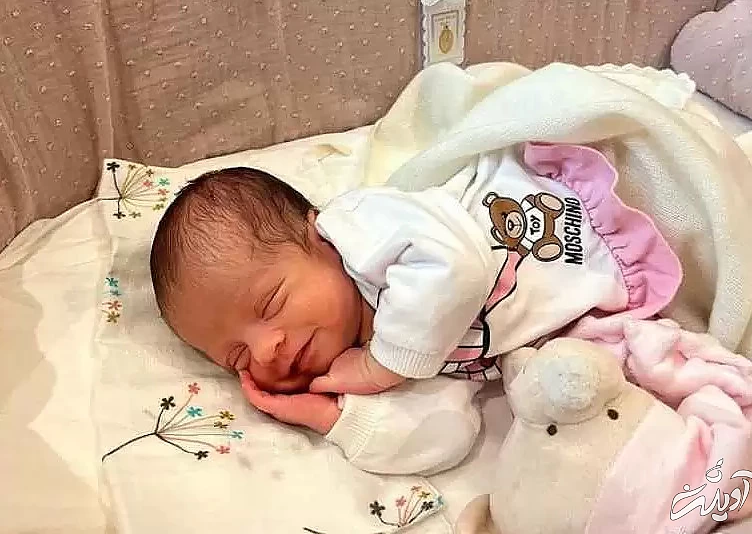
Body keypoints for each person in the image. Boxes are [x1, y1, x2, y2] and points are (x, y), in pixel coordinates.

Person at [149, 142, 682, 474]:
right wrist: (334, 418)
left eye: (271, 302)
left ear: (318, 234)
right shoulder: (369, 357)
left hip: (574, 205)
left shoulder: (362, 230)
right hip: (600, 294)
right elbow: (448, 436)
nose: (267, 349)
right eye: (238, 358)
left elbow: (457, 266)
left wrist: (381, 366)